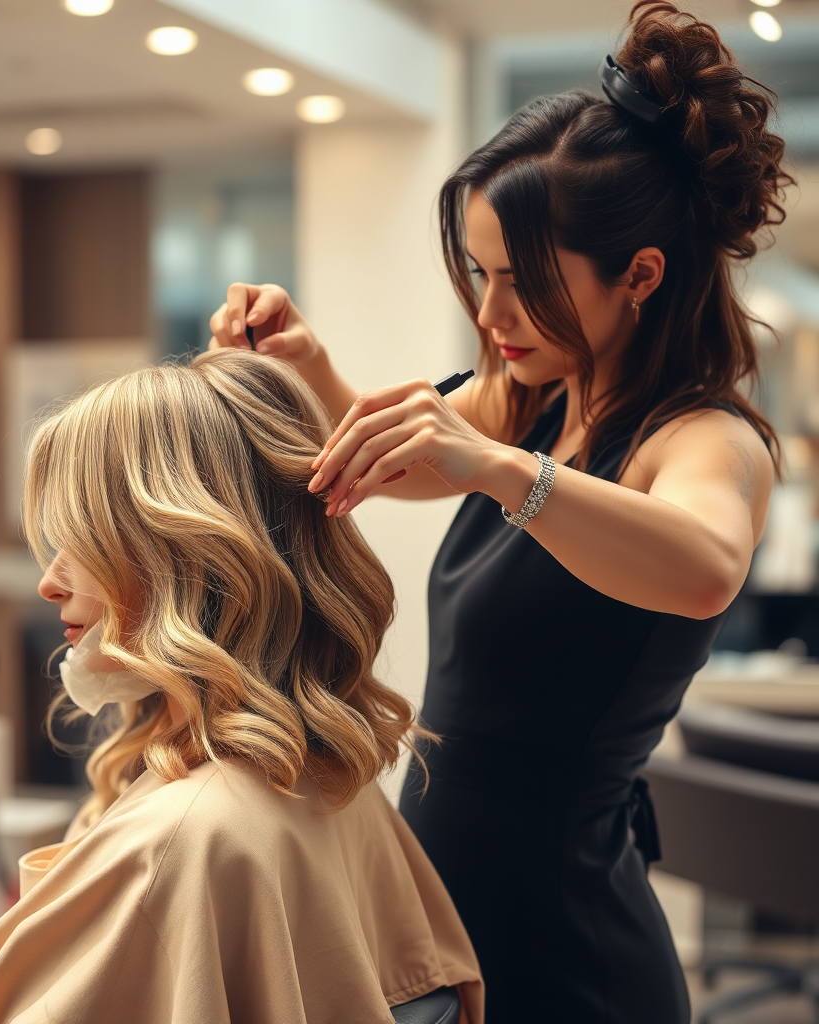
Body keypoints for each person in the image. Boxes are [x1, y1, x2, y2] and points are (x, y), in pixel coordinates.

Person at [207, 4, 789, 1021]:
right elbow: (399, 452)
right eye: (480, 274)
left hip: (568, 947)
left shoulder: (702, 439)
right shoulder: (537, 399)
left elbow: (704, 561)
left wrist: (499, 470)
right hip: (453, 907)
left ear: (640, 275)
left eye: (525, 282)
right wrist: (305, 363)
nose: (488, 315)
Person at [0, 350, 483, 1024]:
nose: (50, 582)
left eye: (82, 541)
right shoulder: (327, 778)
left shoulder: (184, 840)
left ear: (182, 560)